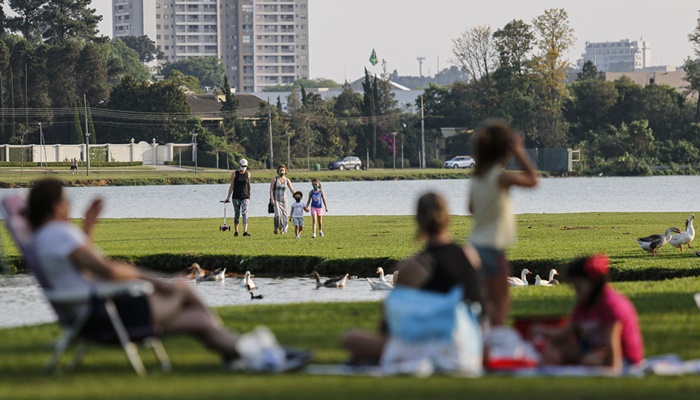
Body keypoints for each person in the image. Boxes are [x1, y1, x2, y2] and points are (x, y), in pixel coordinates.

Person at [26, 179, 309, 371]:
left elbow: (81, 268)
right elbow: (105, 269)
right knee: (182, 288)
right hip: (104, 314)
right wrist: (152, 280)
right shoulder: (59, 234)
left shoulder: (46, 238)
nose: (69, 206)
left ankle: (243, 355)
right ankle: (256, 355)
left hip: (96, 312)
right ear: (55, 206)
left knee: (198, 319)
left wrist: (87, 228)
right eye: (66, 201)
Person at [342, 192, 482, 366]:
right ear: (448, 217)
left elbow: (389, 324)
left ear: (419, 220)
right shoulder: (471, 256)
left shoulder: (414, 266)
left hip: (437, 348)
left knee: (350, 338)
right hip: (472, 347)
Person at [468, 119, 538, 327]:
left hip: (474, 245)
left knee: (484, 300)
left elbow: (471, 208)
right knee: (501, 300)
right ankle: (494, 341)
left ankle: (480, 338)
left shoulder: (477, 177)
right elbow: (533, 180)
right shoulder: (501, 178)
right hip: (492, 247)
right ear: (504, 151)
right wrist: (519, 151)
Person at [533, 254, 644, 371]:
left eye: (579, 287)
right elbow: (566, 333)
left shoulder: (611, 305)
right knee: (554, 351)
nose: (576, 292)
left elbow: (612, 344)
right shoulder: (583, 304)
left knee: (590, 360)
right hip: (593, 349)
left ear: (594, 283)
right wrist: (542, 331)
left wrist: (613, 371)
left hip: (623, 358)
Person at [224, 159, 252, 237]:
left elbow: (249, 185)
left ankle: (245, 231)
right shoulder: (234, 174)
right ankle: (236, 230)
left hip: (245, 196)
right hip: (236, 196)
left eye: (245, 166)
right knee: (237, 213)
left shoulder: (248, 174)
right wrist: (228, 197)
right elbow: (232, 186)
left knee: (245, 213)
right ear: (239, 165)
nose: (244, 168)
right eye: (242, 166)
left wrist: (249, 195)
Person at [269, 165, 295, 235]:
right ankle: (276, 226)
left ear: (285, 171)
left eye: (283, 170)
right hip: (276, 199)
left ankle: (283, 229)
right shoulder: (274, 179)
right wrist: (272, 198)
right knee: (277, 214)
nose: (281, 171)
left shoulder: (287, 180)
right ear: (278, 171)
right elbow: (271, 190)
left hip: (284, 199)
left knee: (284, 215)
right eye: (280, 170)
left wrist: (296, 194)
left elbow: (291, 189)